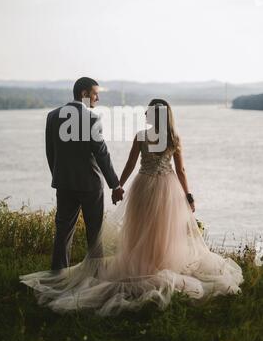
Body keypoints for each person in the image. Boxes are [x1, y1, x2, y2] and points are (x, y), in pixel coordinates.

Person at [20, 98, 243, 316]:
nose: (145, 113)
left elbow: (130, 164)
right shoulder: (173, 137)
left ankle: (143, 267)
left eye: (147, 111)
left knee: (142, 230)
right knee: (164, 231)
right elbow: (181, 170)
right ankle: (161, 265)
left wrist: (119, 186)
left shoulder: (141, 136)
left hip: (144, 187)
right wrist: (189, 196)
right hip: (167, 188)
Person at [44, 76, 124, 271]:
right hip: (90, 185)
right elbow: (102, 154)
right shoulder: (92, 119)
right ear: (84, 94)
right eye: (95, 94)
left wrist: (59, 175)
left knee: (63, 232)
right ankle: (96, 275)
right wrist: (115, 184)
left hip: (64, 183)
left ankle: (58, 274)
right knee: (95, 234)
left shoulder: (53, 116)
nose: (97, 99)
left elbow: (50, 152)